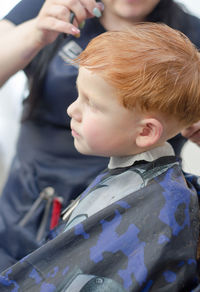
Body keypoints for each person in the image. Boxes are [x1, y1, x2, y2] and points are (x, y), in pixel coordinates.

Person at [0, 0, 200, 273]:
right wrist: (34, 33)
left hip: (131, 214)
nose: (73, 108)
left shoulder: (192, 36)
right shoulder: (49, 6)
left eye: (91, 102)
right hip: (25, 211)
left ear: (146, 131)